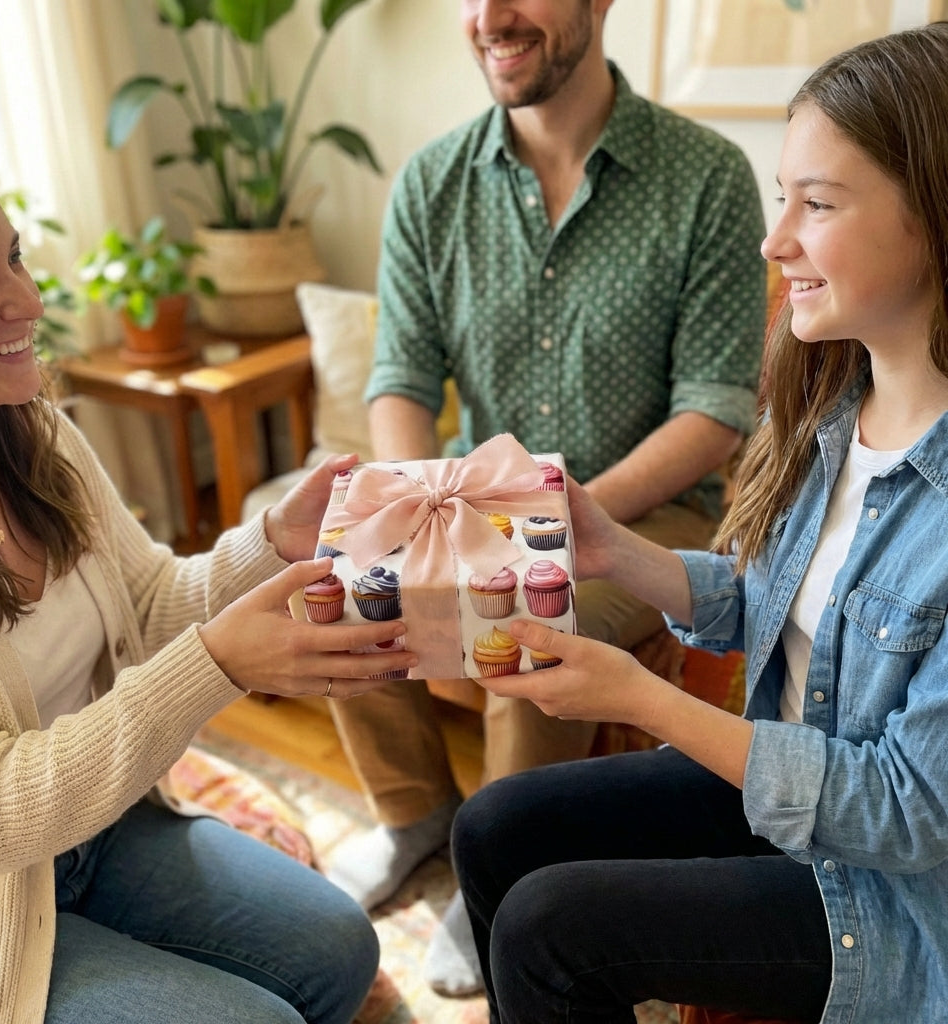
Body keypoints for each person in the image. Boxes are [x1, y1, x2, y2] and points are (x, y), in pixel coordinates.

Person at [451, 20, 948, 1023]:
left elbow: (906, 811)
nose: (777, 243)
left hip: (893, 893)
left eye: (817, 204)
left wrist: (644, 695)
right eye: (782, 201)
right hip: (793, 793)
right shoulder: (831, 405)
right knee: (493, 823)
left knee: (550, 928)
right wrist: (611, 549)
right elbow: (765, 600)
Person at [0, 133, 421, 1024]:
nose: (27, 300)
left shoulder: (38, 437)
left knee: (339, 950)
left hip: (100, 829)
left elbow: (150, 605)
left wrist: (274, 538)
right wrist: (218, 665)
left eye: (14, 260)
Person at [324, 0, 767, 996]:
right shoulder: (432, 181)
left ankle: (500, 871)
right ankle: (414, 814)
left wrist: (551, 526)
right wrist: (406, 509)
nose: (489, 17)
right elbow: (399, 376)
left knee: (527, 608)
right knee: (346, 570)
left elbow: (714, 411)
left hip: (649, 511)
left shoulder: (705, 178)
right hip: (475, 490)